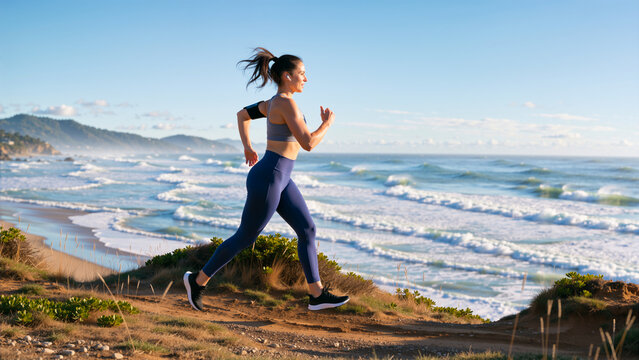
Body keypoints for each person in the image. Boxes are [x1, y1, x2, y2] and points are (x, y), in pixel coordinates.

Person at [184, 47, 349, 312]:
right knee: (246, 237)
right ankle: (197, 281)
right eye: (302, 74)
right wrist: (327, 124)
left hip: (280, 177)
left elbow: (242, 115)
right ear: (287, 76)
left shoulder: (272, 103)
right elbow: (307, 143)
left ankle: (316, 294)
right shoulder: (285, 103)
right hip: (271, 176)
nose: (306, 79)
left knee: (307, 230)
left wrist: (248, 147)